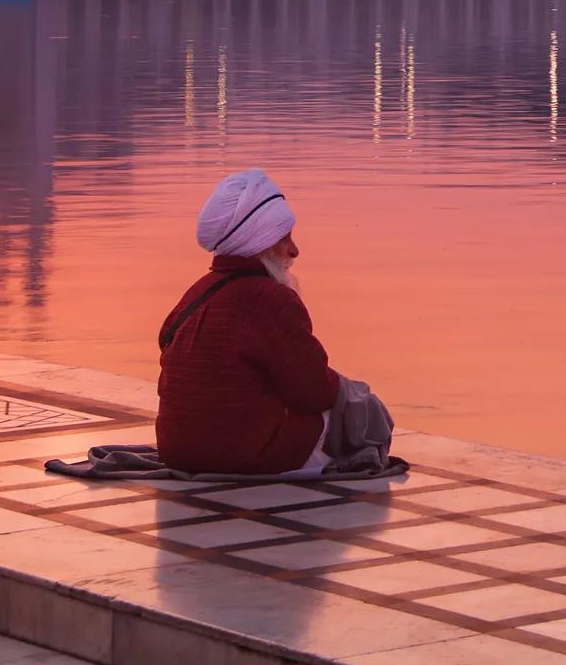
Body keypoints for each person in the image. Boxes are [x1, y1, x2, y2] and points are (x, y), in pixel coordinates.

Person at [154, 169, 397, 476]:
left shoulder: (196, 292)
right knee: (357, 404)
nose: (294, 250)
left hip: (178, 452)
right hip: (247, 458)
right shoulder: (272, 300)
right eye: (284, 239)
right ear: (262, 244)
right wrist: (348, 391)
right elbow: (314, 392)